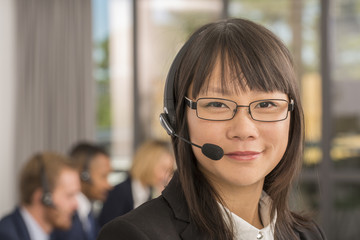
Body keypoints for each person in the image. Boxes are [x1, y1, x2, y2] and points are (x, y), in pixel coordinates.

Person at [97, 18, 327, 240]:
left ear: (292, 117)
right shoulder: (132, 235)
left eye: (266, 104)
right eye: (217, 104)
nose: (244, 130)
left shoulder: (307, 234)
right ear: (178, 120)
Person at [0, 152, 80, 240]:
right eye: (69, 196)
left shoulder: (58, 234)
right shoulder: (6, 235)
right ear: (44, 197)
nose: (76, 205)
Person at [98, 139, 175, 227]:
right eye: (163, 169)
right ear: (148, 164)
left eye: (169, 171)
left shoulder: (151, 192)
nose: (164, 176)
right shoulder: (119, 192)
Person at [52, 141, 112, 240]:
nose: (108, 185)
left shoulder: (88, 212)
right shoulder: (64, 215)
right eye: (103, 176)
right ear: (84, 175)